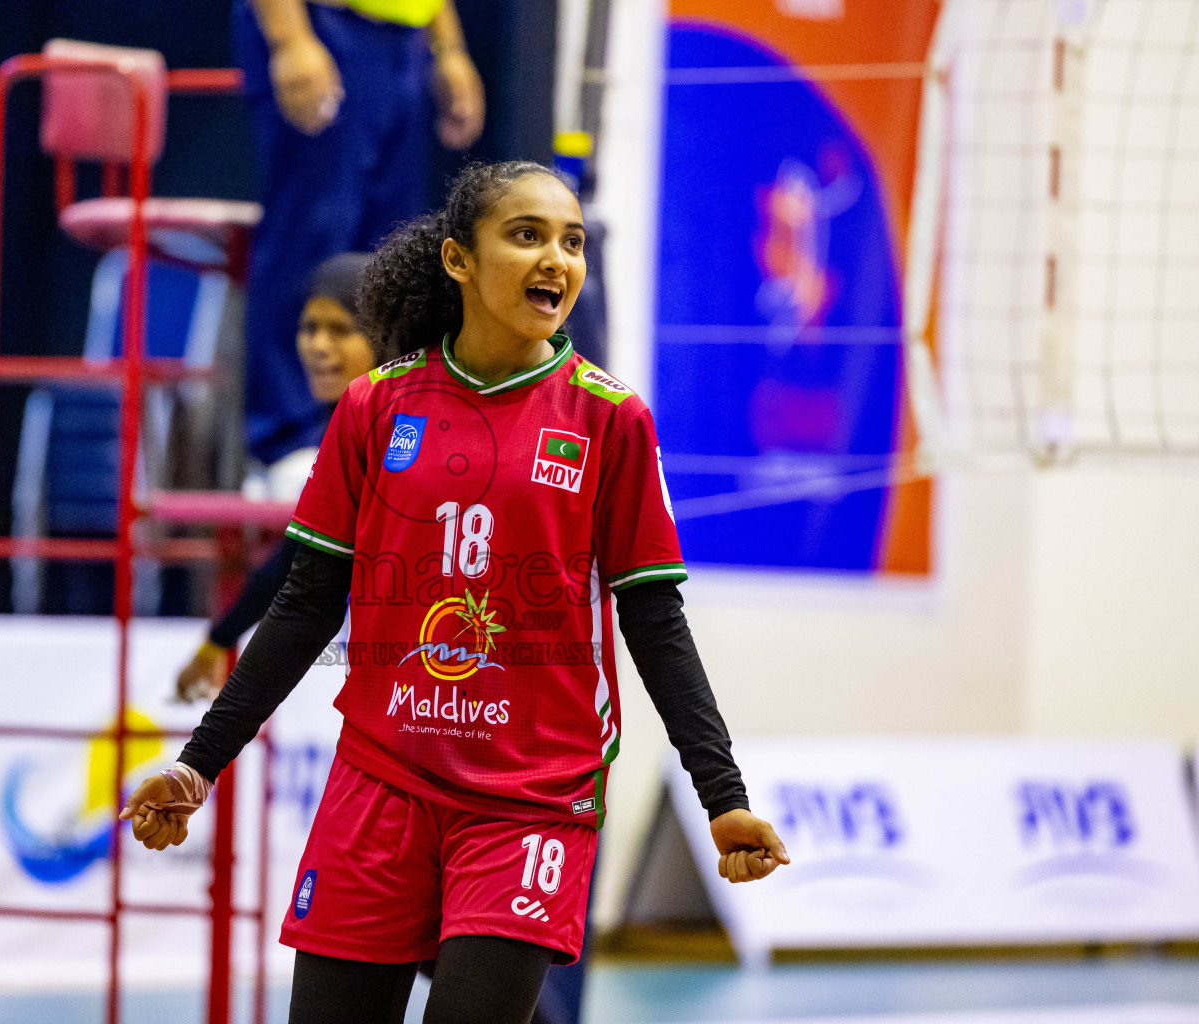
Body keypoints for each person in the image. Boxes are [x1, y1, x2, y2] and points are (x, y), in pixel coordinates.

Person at [122, 162, 787, 1024]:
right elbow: (305, 604)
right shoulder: (374, 407)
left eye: (572, 241)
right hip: (381, 783)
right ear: (458, 261)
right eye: (527, 235)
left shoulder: (609, 419)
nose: (556, 257)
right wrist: (196, 763)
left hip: (530, 800)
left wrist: (723, 797)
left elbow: (656, 622)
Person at [235, 0, 485, 471]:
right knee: (311, 238)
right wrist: (290, 39)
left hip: (403, 38)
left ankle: (374, 434)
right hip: (319, 27)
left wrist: (448, 47)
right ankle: (285, 447)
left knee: (390, 257)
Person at [175, 252, 376, 701]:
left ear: (386, 336)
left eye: (341, 330)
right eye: (310, 328)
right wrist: (220, 639)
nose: (318, 345)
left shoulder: (407, 431)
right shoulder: (346, 428)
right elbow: (299, 558)